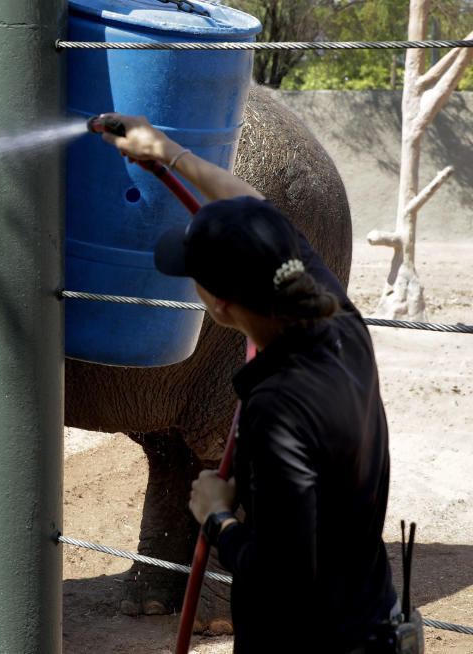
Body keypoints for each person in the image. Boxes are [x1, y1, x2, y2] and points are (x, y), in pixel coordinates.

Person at [98, 113, 415, 654]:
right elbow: (264, 215)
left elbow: (284, 577)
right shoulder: (342, 324)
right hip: (373, 617)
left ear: (217, 306)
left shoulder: (275, 411)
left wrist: (217, 517)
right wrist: (169, 152)